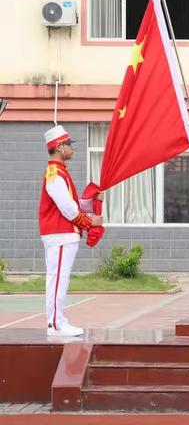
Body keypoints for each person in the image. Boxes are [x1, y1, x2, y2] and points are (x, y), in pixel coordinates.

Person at [39, 125, 103, 337]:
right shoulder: (55, 173)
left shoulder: (60, 173)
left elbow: (71, 204)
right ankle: (56, 324)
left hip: (63, 233)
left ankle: (57, 321)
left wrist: (90, 202)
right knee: (58, 277)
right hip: (60, 233)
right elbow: (67, 208)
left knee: (58, 277)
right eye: (69, 145)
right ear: (59, 146)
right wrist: (89, 222)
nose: (72, 149)